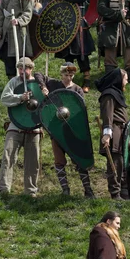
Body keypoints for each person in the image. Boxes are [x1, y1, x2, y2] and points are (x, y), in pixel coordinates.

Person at [35, 62, 95, 197]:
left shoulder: (77, 90)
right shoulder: (55, 84)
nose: (69, 77)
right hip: (57, 129)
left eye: (71, 75)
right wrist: (43, 87)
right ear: (61, 74)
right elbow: (38, 74)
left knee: (79, 160)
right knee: (59, 161)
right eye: (66, 74)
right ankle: (65, 190)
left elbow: (80, 110)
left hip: (72, 129)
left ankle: (88, 189)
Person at [0, 58, 41, 197]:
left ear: (31, 68)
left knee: (32, 162)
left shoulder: (38, 83)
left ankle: (31, 191)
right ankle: (4, 190)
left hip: (33, 127)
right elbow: (4, 98)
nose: (22, 71)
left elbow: (45, 103)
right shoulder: (14, 82)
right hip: (15, 126)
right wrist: (19, 98)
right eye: (20, 69)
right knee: (8, 156)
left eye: (25, 68)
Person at [55, 0, 96, 92]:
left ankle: (87, 80)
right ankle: (68, 81)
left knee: (81, 53)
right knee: (68, 54)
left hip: (79, 24)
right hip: (66, 26)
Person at [0, 0, 35, 79]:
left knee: (21, 59)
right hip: (7, 32)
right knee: (9, 60)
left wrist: (19, 21)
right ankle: (12, 83)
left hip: (19, 32)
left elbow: (28, 12)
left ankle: (24, 82)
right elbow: (0, 13)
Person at [96, 68, 129, 200]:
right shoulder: (109, 95)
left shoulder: (115, 94)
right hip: (114, 131)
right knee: (114, 163)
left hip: (121, 131)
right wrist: (107, 135)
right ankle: (115, 193)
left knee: (120, 162)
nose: (127, 81)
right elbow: (107, 115)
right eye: (125, 78)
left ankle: (122, 191)